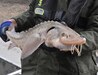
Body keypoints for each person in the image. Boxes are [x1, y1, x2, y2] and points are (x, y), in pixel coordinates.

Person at [0, 0, 98, 75]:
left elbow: (96, 32)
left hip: (70, 69)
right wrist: (15, 22)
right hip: (34, 67)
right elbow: (32, 13)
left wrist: (73, 44)